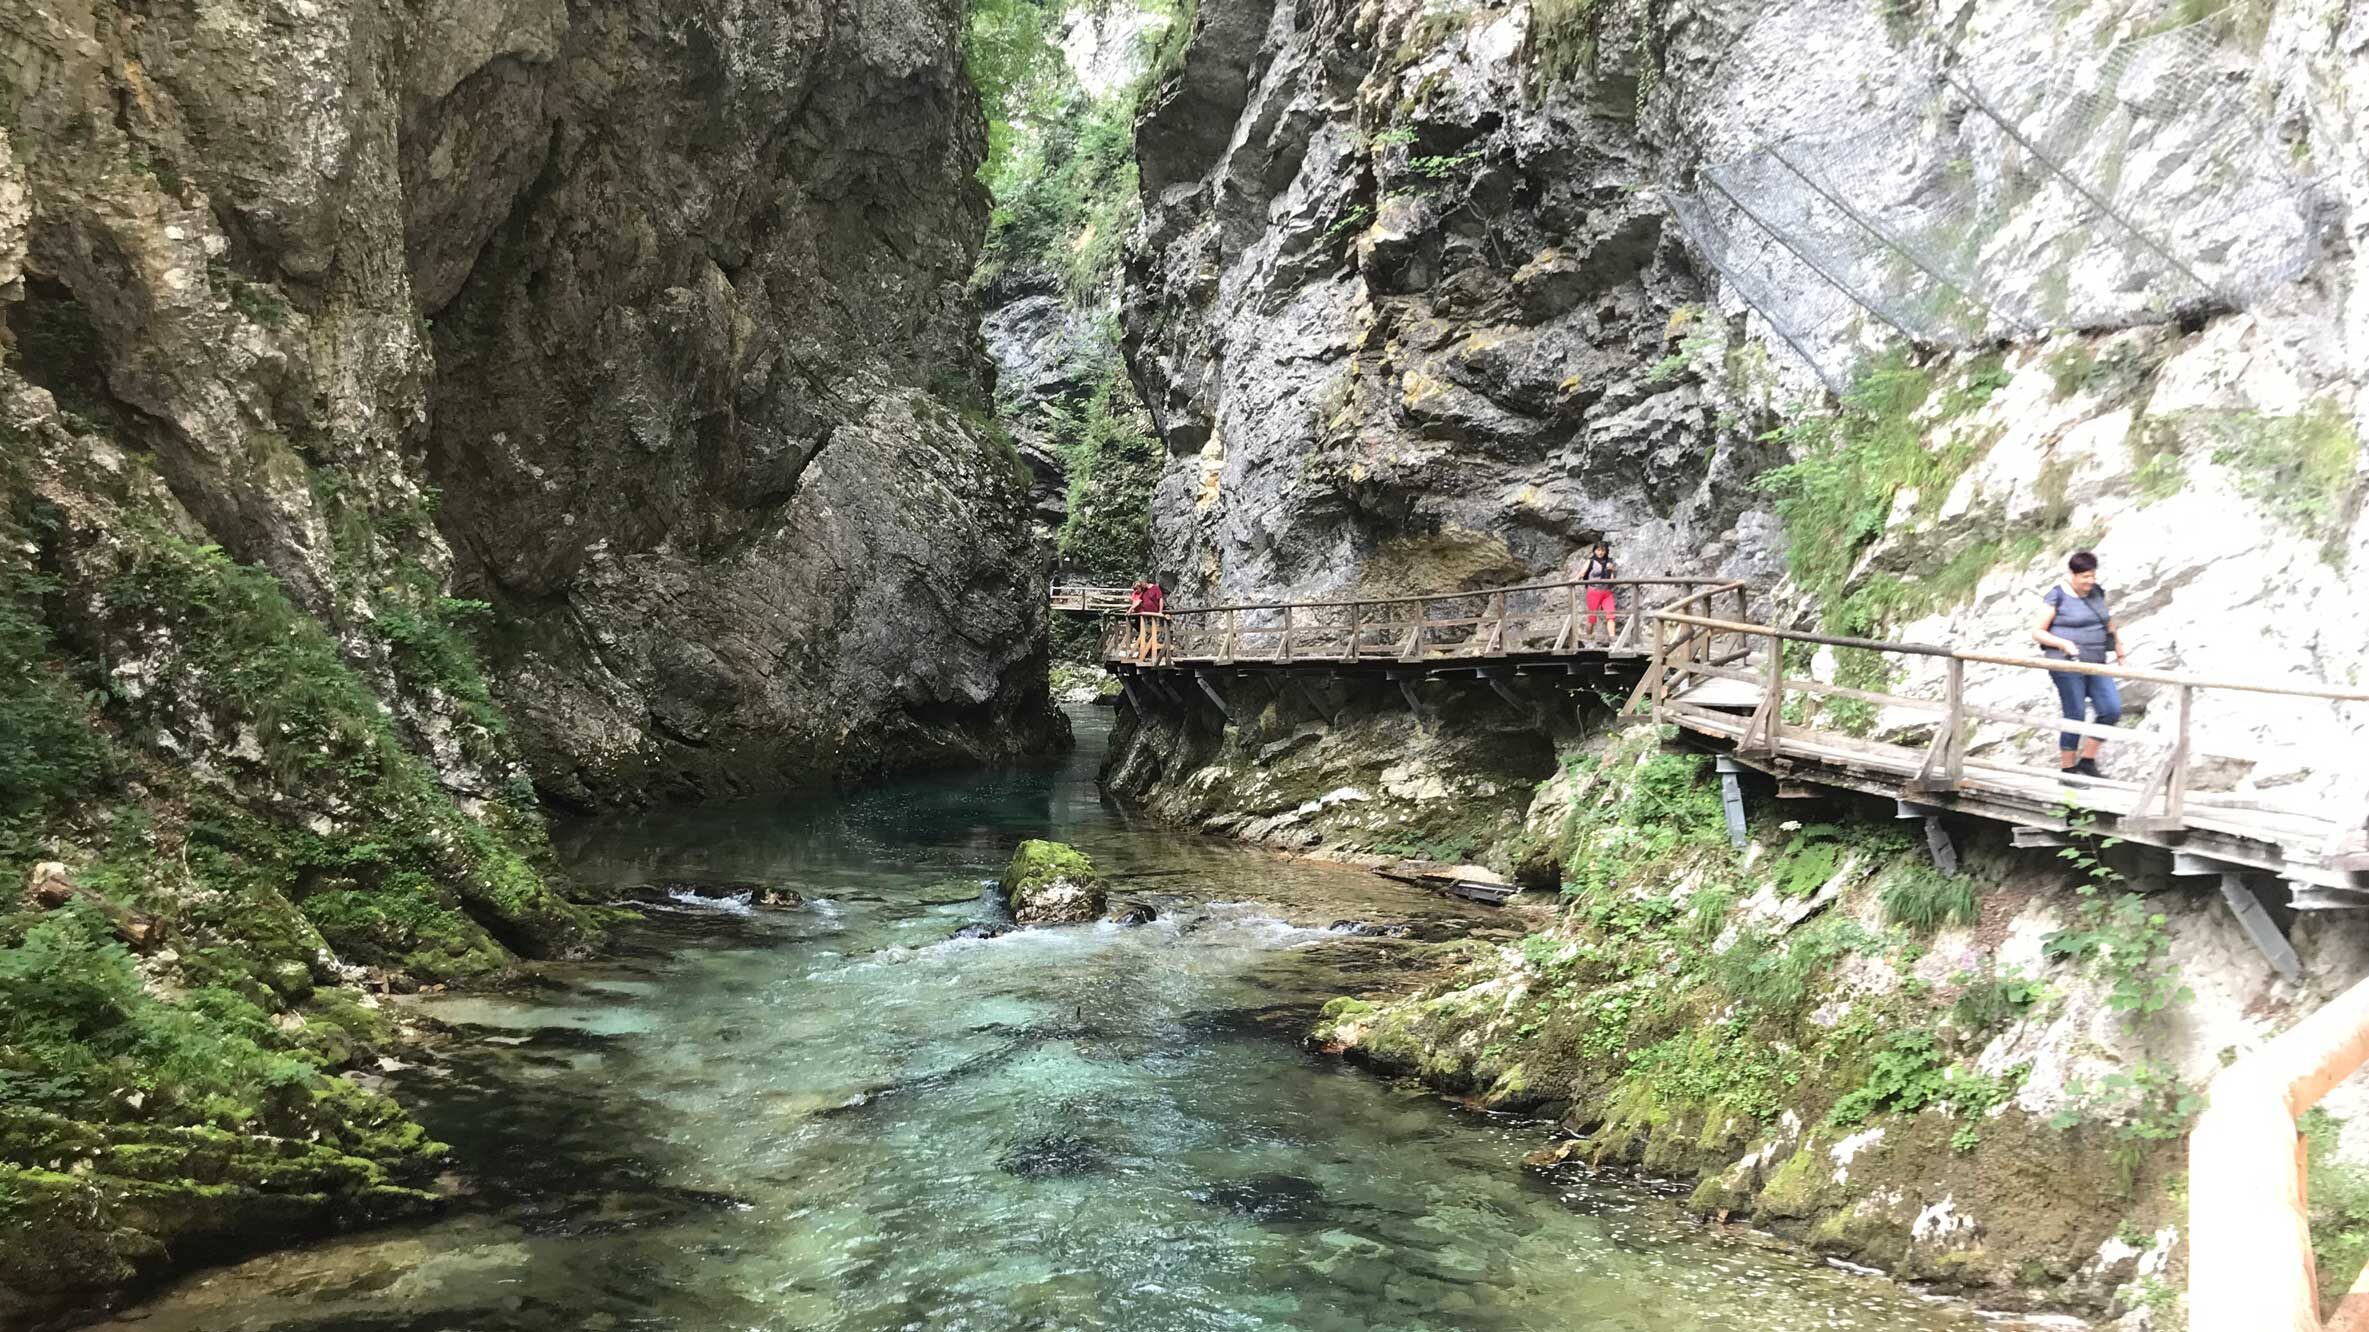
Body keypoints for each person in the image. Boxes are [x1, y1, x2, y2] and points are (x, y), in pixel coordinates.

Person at [2031, 550, 2125, 779]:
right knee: (2075, 713)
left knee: (2111, 709)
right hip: (2066, 664)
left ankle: (2088, 761)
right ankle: (2068, 769)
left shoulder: (2096, 593)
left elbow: (2108, 622)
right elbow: (2037, 632)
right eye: (2085, 577)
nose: (2089, 581)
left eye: (2092, 576)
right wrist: (2064, 644)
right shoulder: (2057, 596)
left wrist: (2120, 649)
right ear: (2072, 575)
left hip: (2096, 662)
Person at [1580, 542, 1618, 641]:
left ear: (1606, 551)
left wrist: (1613, 571)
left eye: (1603, 550)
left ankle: (1613, 641)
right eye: (1598, 550)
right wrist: (1575, 578)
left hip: (1606, 592)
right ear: (1594, 551)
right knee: (1592, 618)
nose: (1600, 552)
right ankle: (1588, 640)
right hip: (1594, 592)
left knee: (1611, 616)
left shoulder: (1609, 562)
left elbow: (1612, 579)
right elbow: (1582, 573)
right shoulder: (1591, 561)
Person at [1131, 577, 1166, 663]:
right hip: (1145, 615)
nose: (1141, 586)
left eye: (1141, 584)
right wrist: (1131, 609)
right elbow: (1138, 600)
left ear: (1145, 582)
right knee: (1146, 633)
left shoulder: (1155, 588)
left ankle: (1154, 653)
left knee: (1155, 633)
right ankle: (1146, 653)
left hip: (1154, 614)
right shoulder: (1143, 590)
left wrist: (1160, 612)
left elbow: (1160, 599)